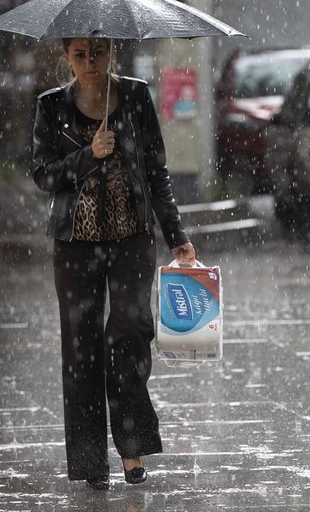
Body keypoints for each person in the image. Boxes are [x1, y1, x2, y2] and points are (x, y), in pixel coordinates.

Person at [31, 37, 196, 489]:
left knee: (131, 334)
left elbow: (157, 170)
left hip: (131, 240)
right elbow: (43, 174)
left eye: (98, 53)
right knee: (81, 350)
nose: (89, 62)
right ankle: (89, 464)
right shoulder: (50, 106)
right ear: (67, 56)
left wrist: (176, 235)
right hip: (75, 244)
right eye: (80, 54)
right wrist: (89, 154)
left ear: (112, 54)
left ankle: (132, 447)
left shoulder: (137, 97)